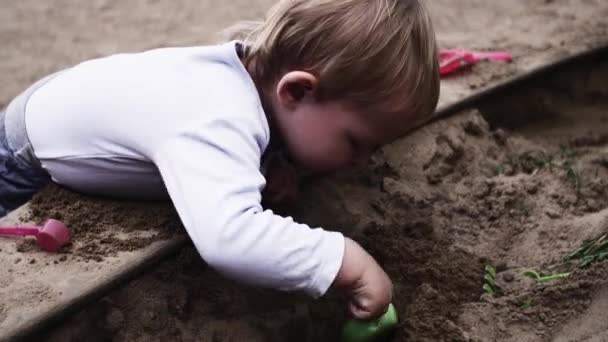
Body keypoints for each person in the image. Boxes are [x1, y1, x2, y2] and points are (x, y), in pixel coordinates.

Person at [0, 0, 439, 319]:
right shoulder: (217, 117)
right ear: (298, 91)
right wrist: (343, 258)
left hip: (76, 100)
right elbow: (229, 238)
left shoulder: (254, 89)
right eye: (356, 142)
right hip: (23, 155)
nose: (360, 160)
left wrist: (274, 165)